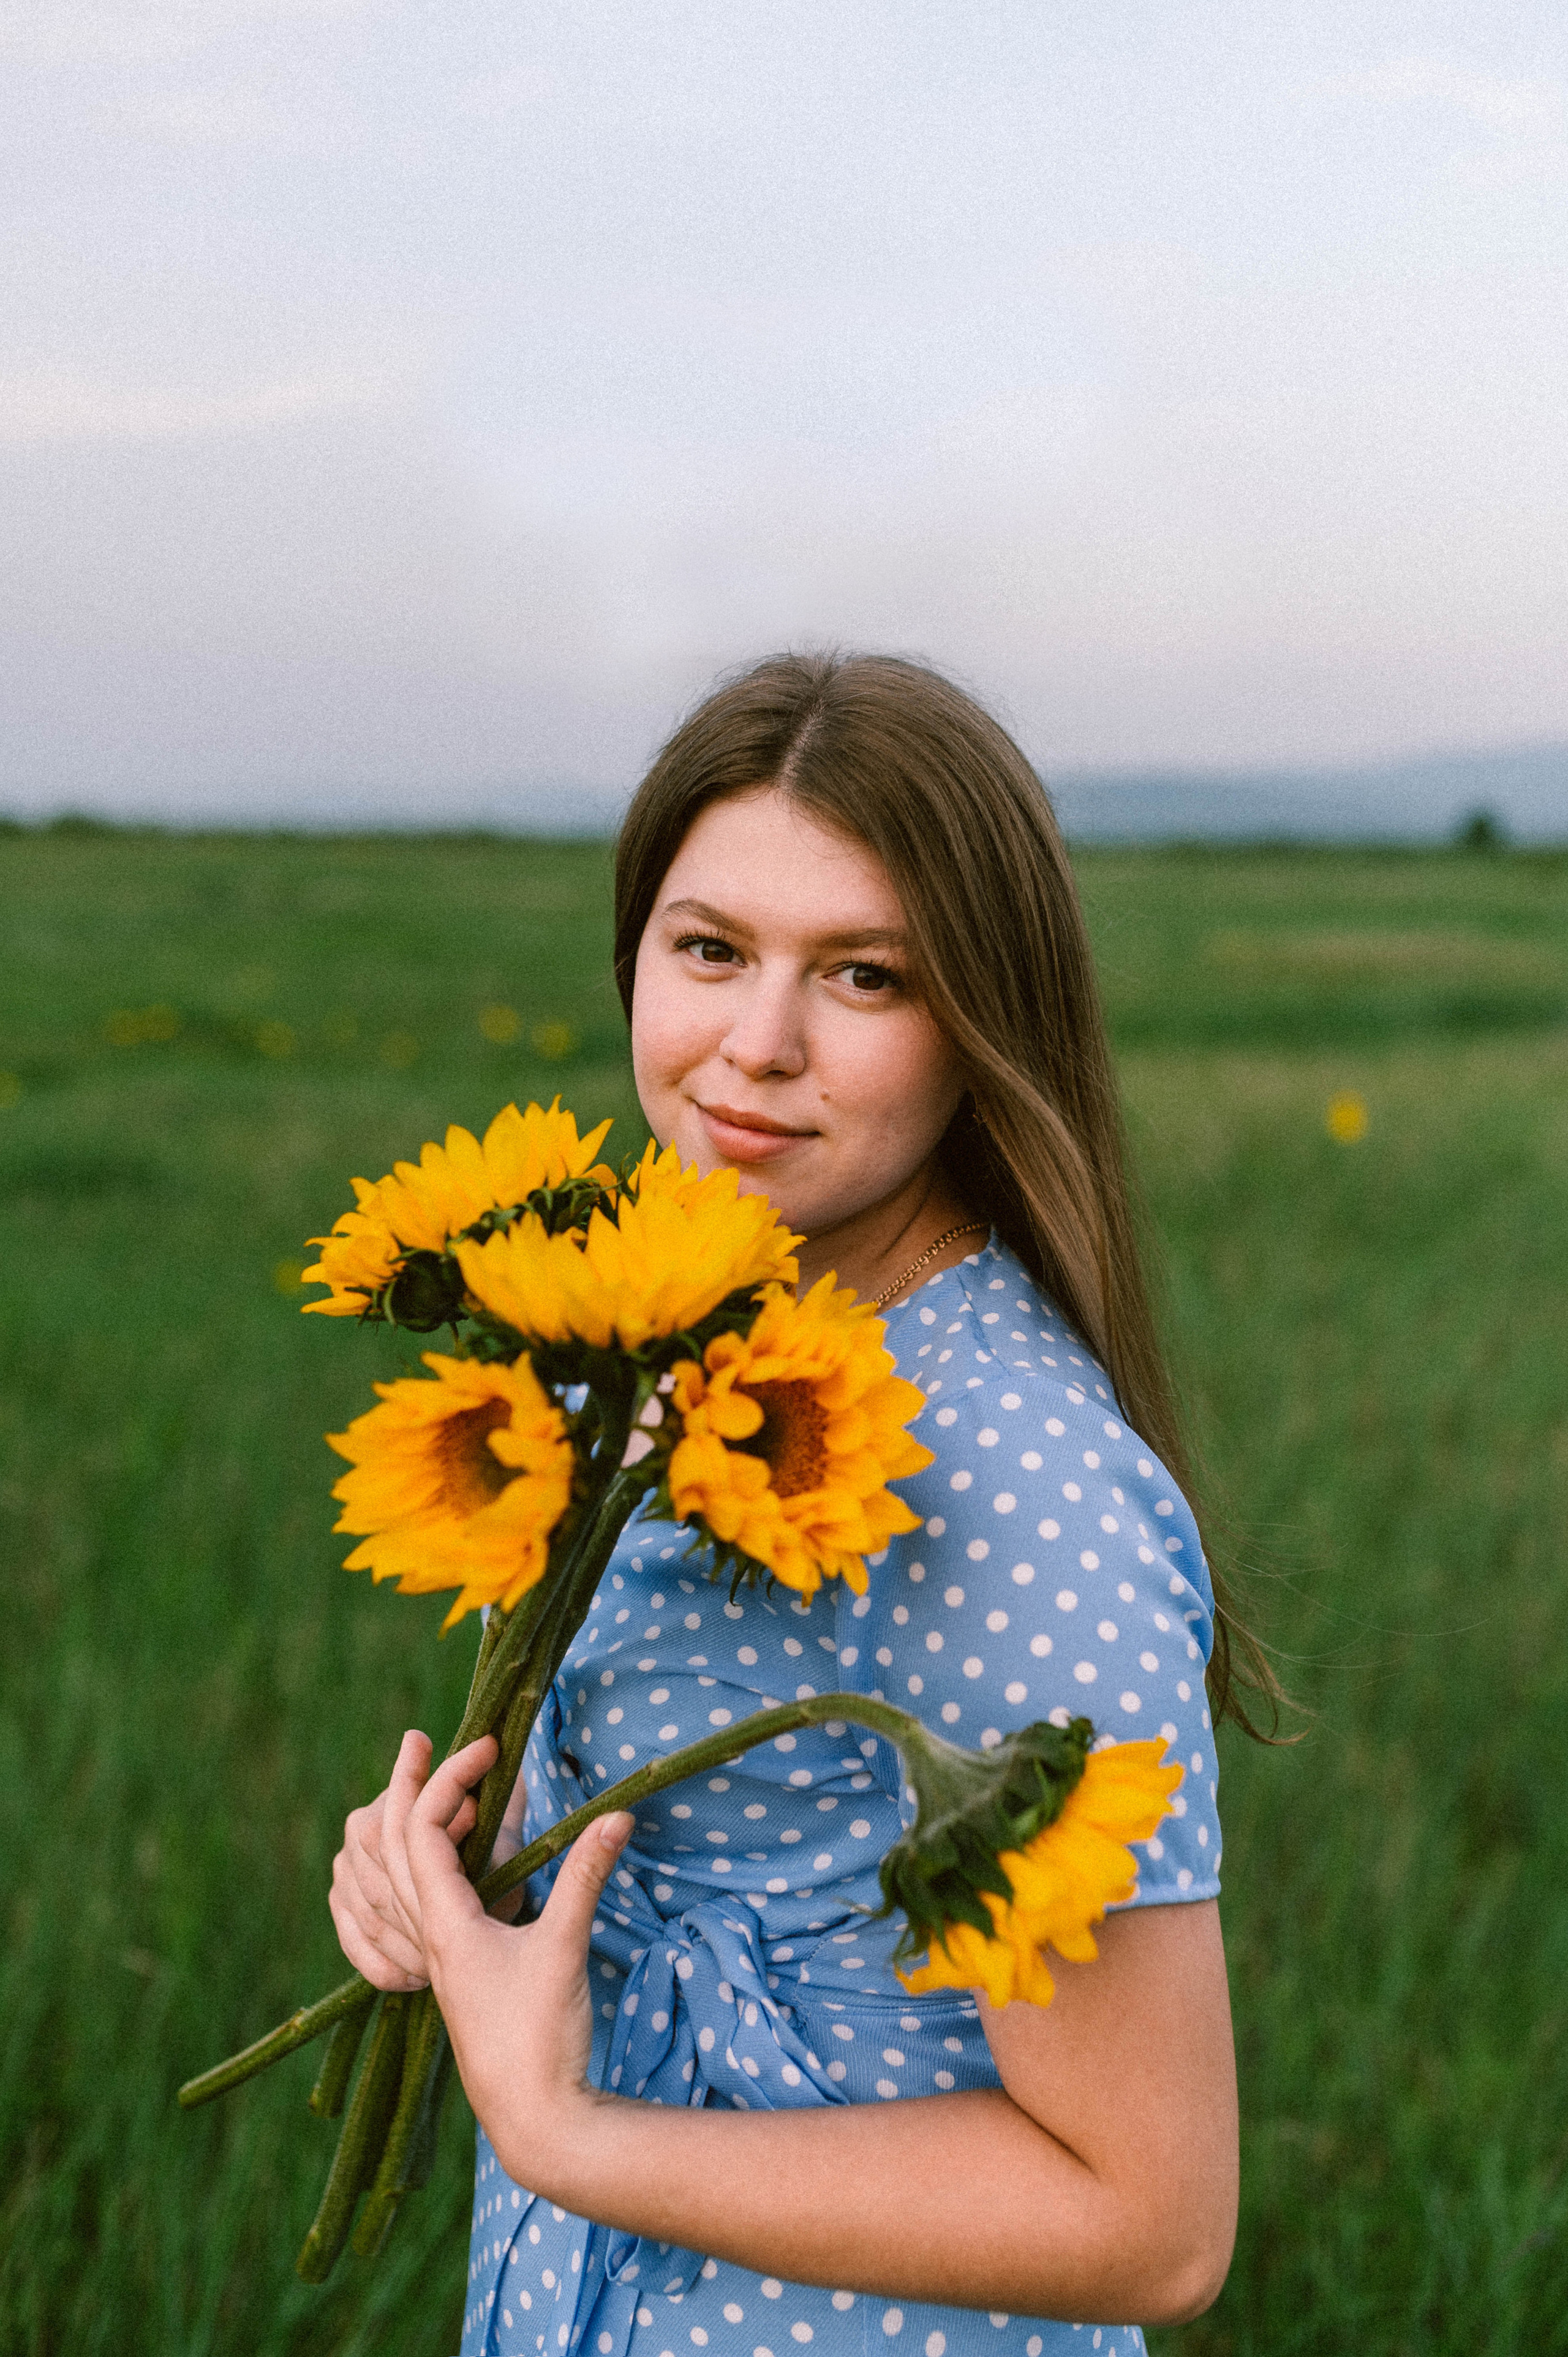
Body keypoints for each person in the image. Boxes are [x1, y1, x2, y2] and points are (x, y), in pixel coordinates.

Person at [330, 654, 1273, 2357]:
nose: (755, 1050)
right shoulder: (643, 1339)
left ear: (986, 1022)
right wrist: (443, 1897)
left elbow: (1153, 2223)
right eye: (710, 951)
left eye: (864, 975)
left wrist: (569, 2135)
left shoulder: (1013, 1479)